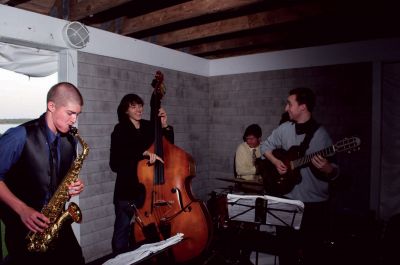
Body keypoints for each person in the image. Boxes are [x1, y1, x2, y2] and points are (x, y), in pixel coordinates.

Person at [0, 82, 85, 265]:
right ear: (51, 106)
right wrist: (22, 209)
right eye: (70, 113)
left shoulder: (70, 141)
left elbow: (54, 180)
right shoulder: (18, 136)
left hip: (54, 222)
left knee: (77, 259)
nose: (74, 120)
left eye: (77, 114)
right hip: (23, 226)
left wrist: (71, 188)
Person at [260, 87, 339, 265]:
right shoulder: (285, 128)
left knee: (313, 253)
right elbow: (264, 146)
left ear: (302, 107)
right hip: (286, 201)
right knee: (286, 253)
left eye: (289, 104)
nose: (286, 108)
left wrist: (327, 168)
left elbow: (336, 171)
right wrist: (275, 161)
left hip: (313, 206)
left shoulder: (321, 136)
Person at [109, 93, 174, 255]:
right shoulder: (120, 130)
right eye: (133, 106)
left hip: (147, 190)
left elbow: (167, 148)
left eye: (140, 105)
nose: (138, 109)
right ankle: (119, 259)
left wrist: (164, 126)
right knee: (122, 230)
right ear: (126, 111)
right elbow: (115, 163)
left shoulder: (148, 126)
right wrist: (143, 153)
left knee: (151, 230)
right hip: (127, 191)